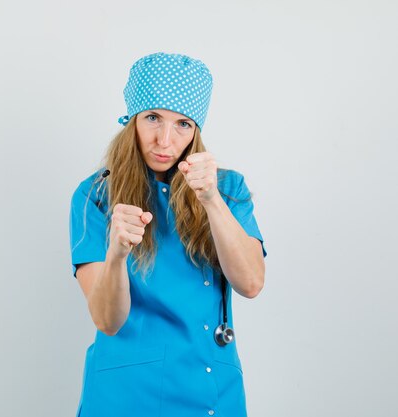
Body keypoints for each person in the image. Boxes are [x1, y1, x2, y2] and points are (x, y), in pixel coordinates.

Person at [68, 52, 267, 417]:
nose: (164, 140)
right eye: (153, 118)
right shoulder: (95, 196)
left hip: (210, 388)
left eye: (183, 125)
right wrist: (116, 253)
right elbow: (107, 320)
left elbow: (251, 283)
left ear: (196, 131)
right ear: (132, 121)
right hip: (124, 395)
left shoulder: (227, 188)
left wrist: (211, 200)